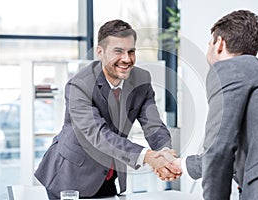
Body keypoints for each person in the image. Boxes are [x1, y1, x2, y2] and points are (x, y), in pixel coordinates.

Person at [157, 9, 258, 200]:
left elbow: (218, 149)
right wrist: (179, 164)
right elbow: (227, 150)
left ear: (219, 44)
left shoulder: (229, 69)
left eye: (209, 45)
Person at [34, 19, 180, 199]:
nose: (127, 59)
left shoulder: (142, 80)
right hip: (71, 177)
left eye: (131, 51)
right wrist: (149, 157)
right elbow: (99, 135)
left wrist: (165, 153)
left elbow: (154, 125)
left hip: (108, 178)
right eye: (118, 51)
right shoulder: (79, 86)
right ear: (100, 52)